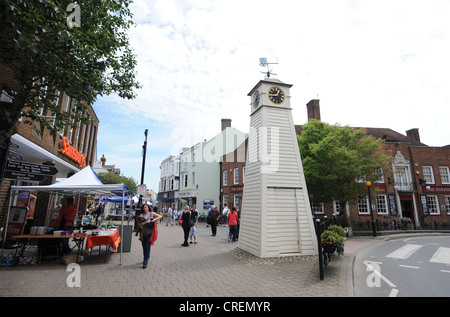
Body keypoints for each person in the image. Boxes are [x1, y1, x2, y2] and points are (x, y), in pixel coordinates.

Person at [138, 203, 162, 268]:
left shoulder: (152, 214)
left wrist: (153, 220)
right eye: (144, 207)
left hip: (150, 233)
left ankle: (145, 261)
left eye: (146, 207)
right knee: (144, 246)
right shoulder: (141, 215)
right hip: (143, 233)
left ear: (148, 208)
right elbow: (139, 224)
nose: (145, 208)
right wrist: (146, 222)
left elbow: (160, 216)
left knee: (147, 246)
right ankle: (146, 257)